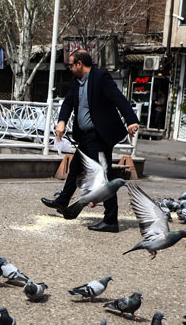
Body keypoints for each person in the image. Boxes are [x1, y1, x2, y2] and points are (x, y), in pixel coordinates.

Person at [42, 50, 139, 233]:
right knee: (76, 167)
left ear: (79, 64)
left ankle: (111, 221)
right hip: (85, 137)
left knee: (105, 177)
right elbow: (68, 103)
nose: (69, 68)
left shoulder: (101, 77)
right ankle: (63, 201)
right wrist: (62, 122)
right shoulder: (76, 82)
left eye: (71, 64)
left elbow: (118, 98)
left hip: (100, 136)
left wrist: (131, 119)